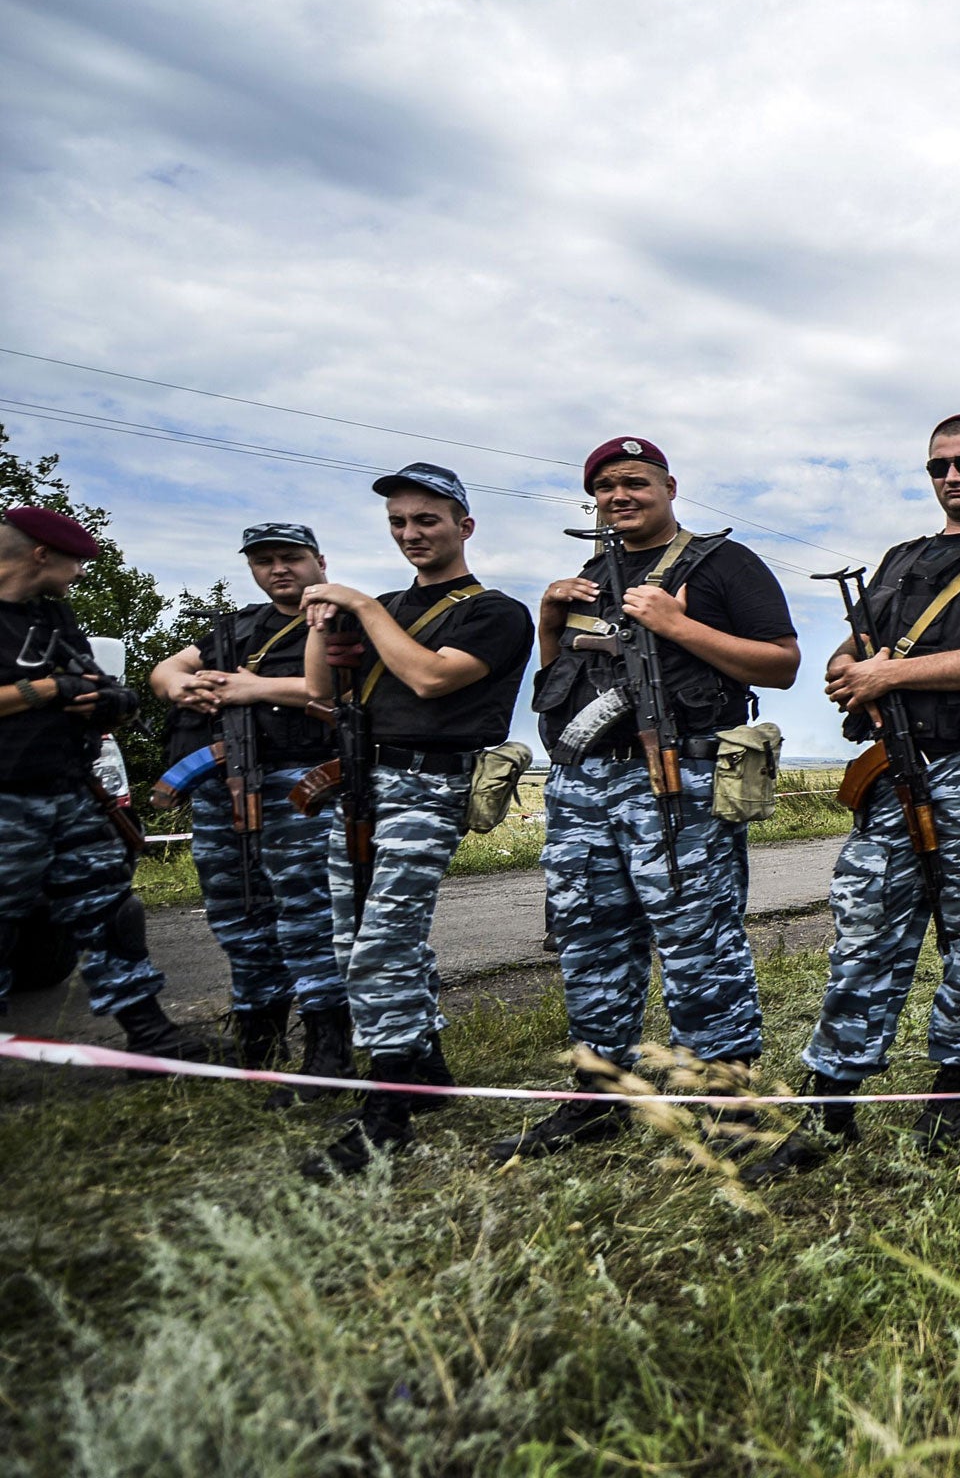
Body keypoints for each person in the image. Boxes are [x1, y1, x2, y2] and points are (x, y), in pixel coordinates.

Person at [743, 413, 960, 1181]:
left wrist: (890, 675)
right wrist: (853, 672)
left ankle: (953, 1091)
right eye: (939, 466)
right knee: (865, 924)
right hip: (894, 768)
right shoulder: (899, 560)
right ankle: (832, 1103)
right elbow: (852, 647)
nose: (953, 477)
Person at [487, 437, 800, 1162]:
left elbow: (782, 663)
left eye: (634, 481)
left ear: (669, 486)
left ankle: (729, 1115)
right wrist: (547, 619)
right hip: (583, 782)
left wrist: (676, 624)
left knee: (701, 948)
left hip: (676, 783)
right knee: (591, 943)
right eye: (604, 486)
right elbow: (557, 694)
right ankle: (598, 1097)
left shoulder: (722, 563)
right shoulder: (592, 574)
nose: (617, 495)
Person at [297, 463, 533, 1178]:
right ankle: (425, 1069)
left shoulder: (494, 612)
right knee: (354, 938)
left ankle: (386, 1117)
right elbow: (319, 691)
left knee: (385, 946)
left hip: (428, 787)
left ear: (464, 525)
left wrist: (363, 609)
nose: (410, 534)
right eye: (398, 522)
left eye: (426, 520)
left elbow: (432, 678)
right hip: (362, 783)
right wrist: (322, 625)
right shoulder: (387, 605)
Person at [0, 508, 223, 1059]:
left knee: (111, 914)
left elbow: (96, 687)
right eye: (74, 560)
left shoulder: (52, 618)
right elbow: (52, 688)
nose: (79, 571)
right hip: (6, 800)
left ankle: (150, 1040)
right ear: (39, 553)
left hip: (69, 793)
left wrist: (112, 701)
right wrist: (49, 690)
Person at [150, 524, 344, 1087]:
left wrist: (248, 688)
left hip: (300, 785)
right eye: (264, 562)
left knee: (309, 919)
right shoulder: (236, 628)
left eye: (290, 558)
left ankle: (327, 1047)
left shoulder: (341, 615)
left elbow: (329, 691)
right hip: (224, 788)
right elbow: (167, 667)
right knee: (238, 917)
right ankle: (258, 1042)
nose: (277, 570)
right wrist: (178, 687)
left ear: (319, 560)